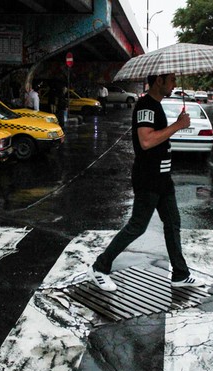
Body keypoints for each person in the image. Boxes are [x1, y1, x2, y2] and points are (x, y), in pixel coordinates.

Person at [86, 73, 200, 291]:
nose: (174, 84)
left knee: (173, 223)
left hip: (162, 179)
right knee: (137, 226)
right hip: (148, 178)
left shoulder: (156, 105)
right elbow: (146, 141)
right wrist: (178, 126)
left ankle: (180, 274)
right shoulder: (146, 106)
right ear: (159, 81)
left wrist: (177, 124)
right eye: (172, 80)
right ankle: (100, 268)